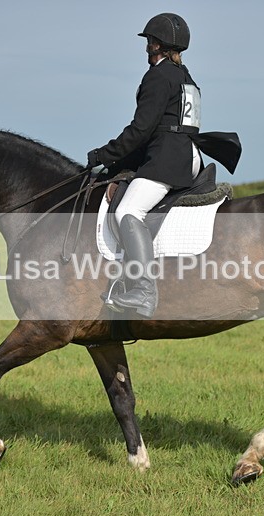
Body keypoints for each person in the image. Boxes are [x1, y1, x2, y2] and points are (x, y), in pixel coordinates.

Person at [87, 13, 202, 318]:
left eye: (149, 42)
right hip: (189, 156)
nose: (146, 48)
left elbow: (141, 131)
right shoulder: (186, 78)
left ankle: (143, 290)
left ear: (158, 45)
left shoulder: (158, 76)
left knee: (128, 210)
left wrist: (104, 156)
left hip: (168, 158)